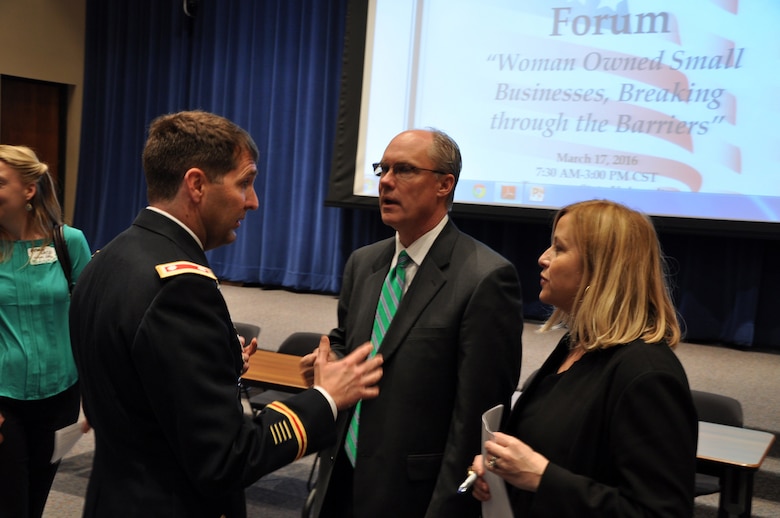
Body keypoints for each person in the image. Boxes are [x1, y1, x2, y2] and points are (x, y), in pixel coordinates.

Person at [68, 110, 384, 518]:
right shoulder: (180, 288)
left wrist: (218, 360)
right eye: (245, 182)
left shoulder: (109, 257)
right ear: (197, 184)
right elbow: (226, 458)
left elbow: (130, 386)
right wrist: (325, 399)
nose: (253, 201)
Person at [302, 128, 524, 517]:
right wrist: (331, 364)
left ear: (444, 184)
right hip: (341, 475)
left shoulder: (485, 278)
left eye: (403, 170)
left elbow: (476, 418)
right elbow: (346, 341)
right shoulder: (363, 262)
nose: (385, 181)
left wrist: (446, 507)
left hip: (413, 494)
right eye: (382, 169)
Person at [470, 199, 698, 517]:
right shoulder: (576, 345)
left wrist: (542, 478)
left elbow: (661, 512)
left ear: (599, 269)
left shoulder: (647, 374)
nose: (543, 258)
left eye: (559, 249)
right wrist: (503, 475)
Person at [0, 145, 92, 518]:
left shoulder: (68, 242)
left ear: (28, 189)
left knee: (35, 498)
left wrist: (99, 395)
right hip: (5, 401)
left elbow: (92, 321)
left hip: (61, 399)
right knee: (10, 505)